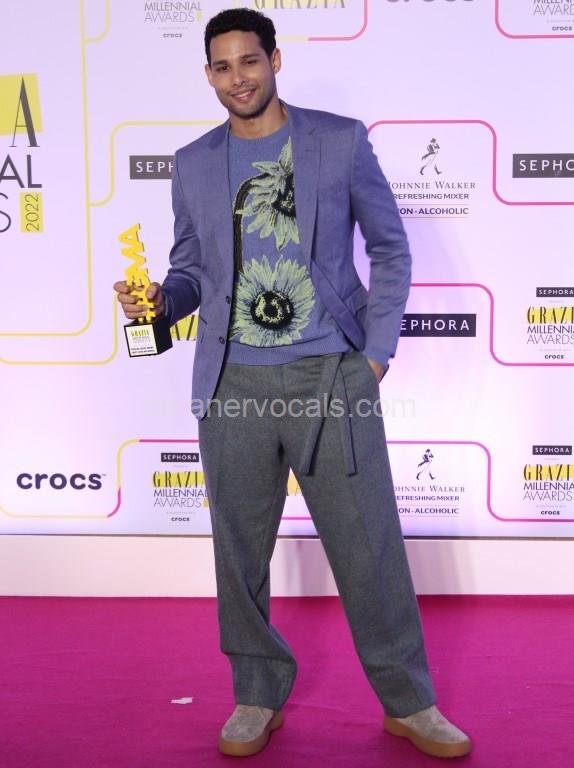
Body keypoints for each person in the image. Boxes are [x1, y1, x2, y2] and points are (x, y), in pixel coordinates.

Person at [114, 8, 471, 760]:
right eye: (222, 67)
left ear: (275, 60)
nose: (237, 78)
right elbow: (189, 272)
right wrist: (158, 303)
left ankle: (409, 703)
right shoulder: (193, 162)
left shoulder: (338, 141)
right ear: (208, 75)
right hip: (233, 383)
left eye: (249, 61)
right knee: (239, 552)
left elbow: (390, 248)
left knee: (369, 547)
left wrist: (374, 357)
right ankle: (256, 695)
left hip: (331, 376)